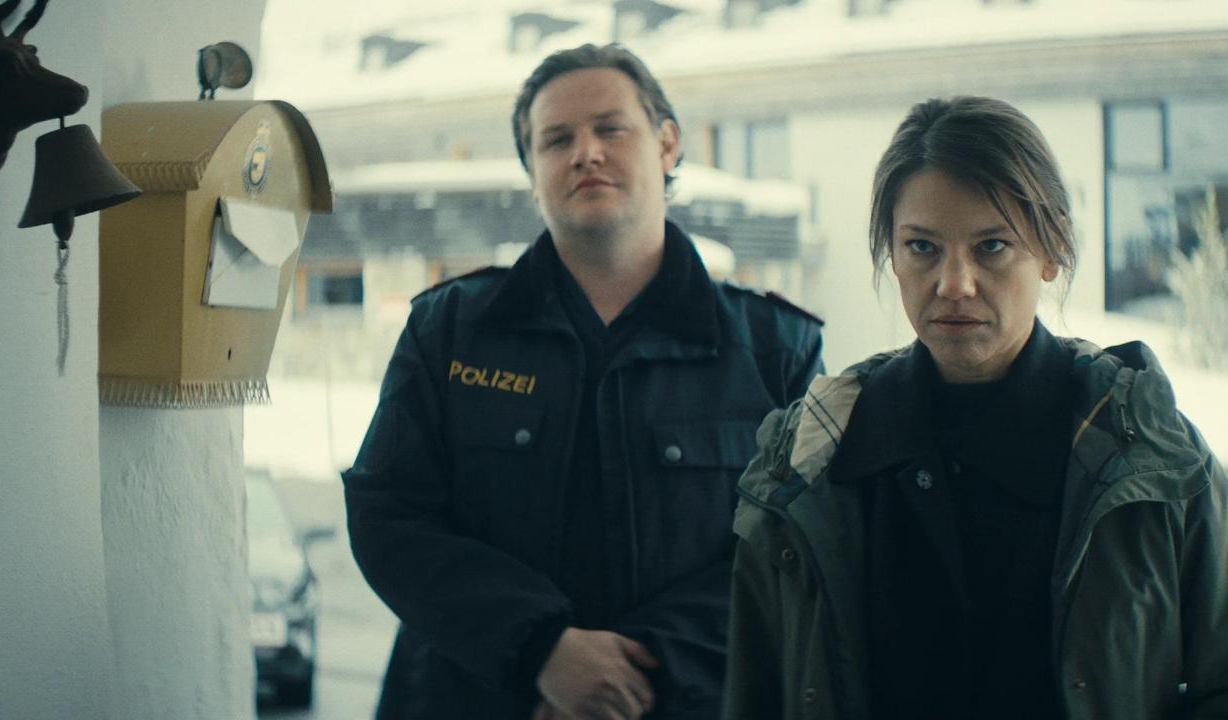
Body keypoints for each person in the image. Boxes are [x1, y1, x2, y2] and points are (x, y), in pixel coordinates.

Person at [342, 43, 824, 720]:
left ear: (667, 144)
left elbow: (797, 547)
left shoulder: (777, 350)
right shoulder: (448, 331)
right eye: (557, 139)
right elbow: (388, 515)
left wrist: (629, 675)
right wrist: (540, 650)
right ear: (532, 172)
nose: (585, 153)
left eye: (610, 128)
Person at [722, 95, 1228, 720]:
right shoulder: (810, 463)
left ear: (1052, 251)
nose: (953, 284)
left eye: (991, 246)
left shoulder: (1153, 460)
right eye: (922, 247)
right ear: (891, 254)